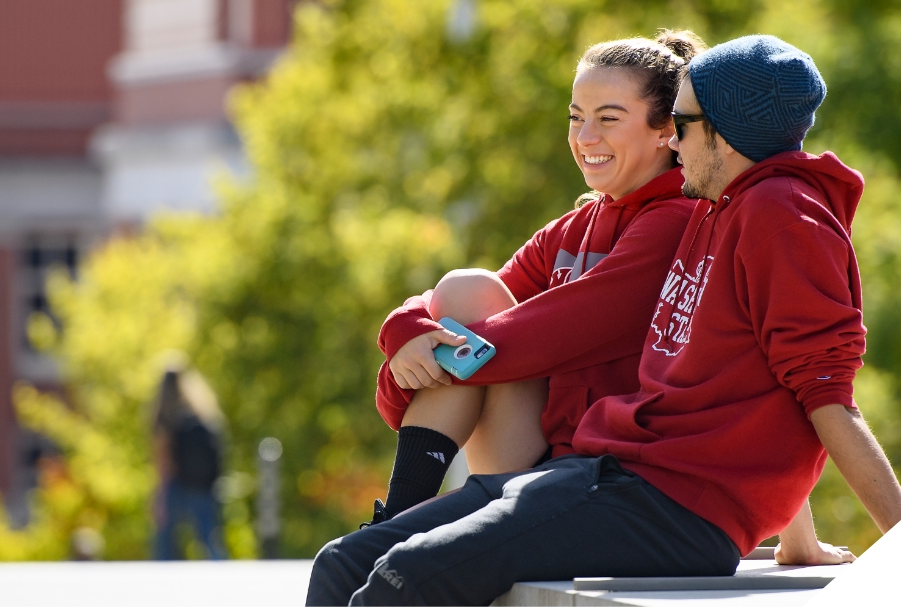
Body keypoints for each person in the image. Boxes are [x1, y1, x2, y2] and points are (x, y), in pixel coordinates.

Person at [308, 35, 901, 606]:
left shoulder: (781, 215)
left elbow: (821, 391)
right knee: (346, 562)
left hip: (671, 506)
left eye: (683, 124)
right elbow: (747, 377)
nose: (674, 140)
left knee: (403, 581)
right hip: (609, 473)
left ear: (724, 134)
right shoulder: (718, 211)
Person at [369, 31, 705, 524]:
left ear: (665, 131)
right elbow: (469, 304)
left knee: (477, 324)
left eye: (608, 119)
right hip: (538, 449)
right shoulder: (574, 227)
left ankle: (398, 524)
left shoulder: (678, 220)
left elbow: (548, 335)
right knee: (467, 289)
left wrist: (422, 356)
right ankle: (397, 518)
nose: (584, 137)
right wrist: (405, 332)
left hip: (611, 469)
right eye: (576, 117)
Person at [151, 363, 227, 560]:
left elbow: (164, 459)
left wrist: (160, 494)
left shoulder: (166, 414)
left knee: (166, 541)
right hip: (203, 485)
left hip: (178, 485)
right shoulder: (201, 410)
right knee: (209, 539)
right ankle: (225, 579)